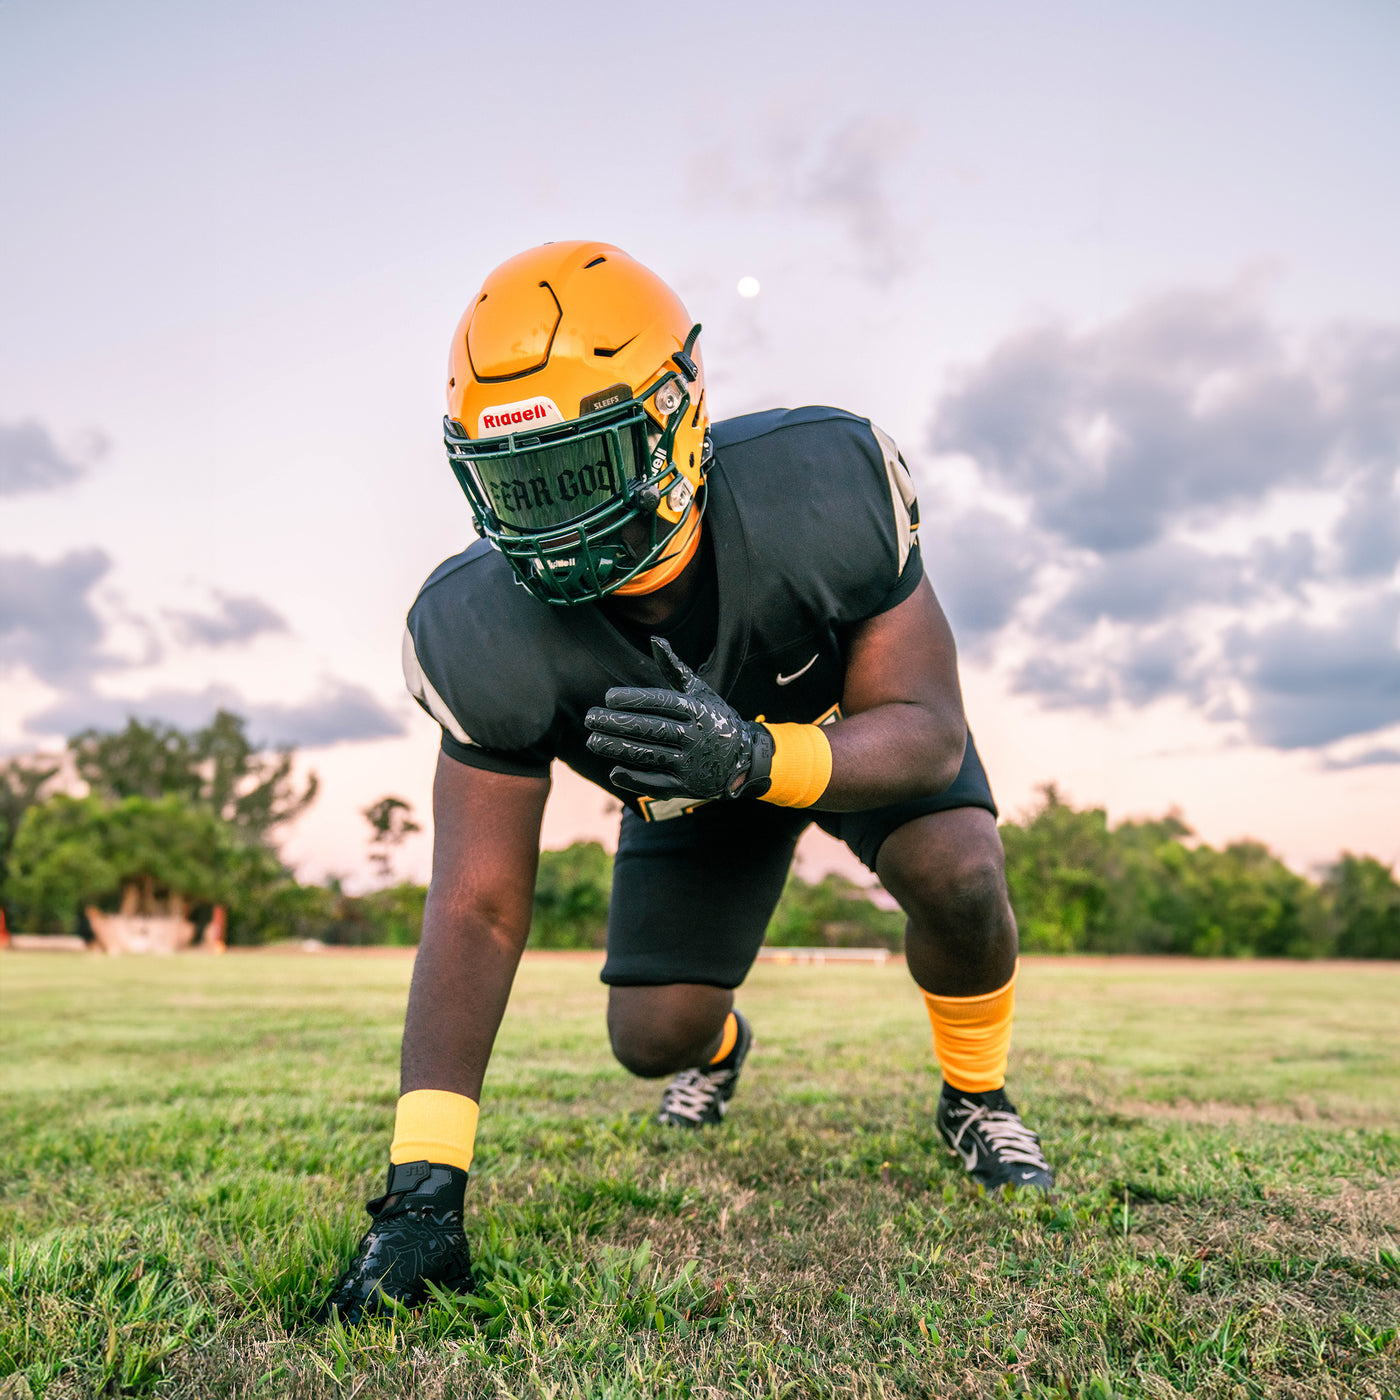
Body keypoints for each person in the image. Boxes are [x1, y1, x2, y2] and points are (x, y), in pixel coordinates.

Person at [317, 240, 1053, 1324]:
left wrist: (761, 755)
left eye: (578, 471)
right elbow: (474, 905)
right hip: (688, 788)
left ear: (679, 412)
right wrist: (425, 1182)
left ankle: (974, 1091)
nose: (554, 521)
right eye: (520, 483)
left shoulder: (821, 483)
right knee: (649, 1037)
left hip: (849, 733)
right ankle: (720, 1046)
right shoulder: (479, 628)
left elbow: (928, 731)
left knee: (958, 865)